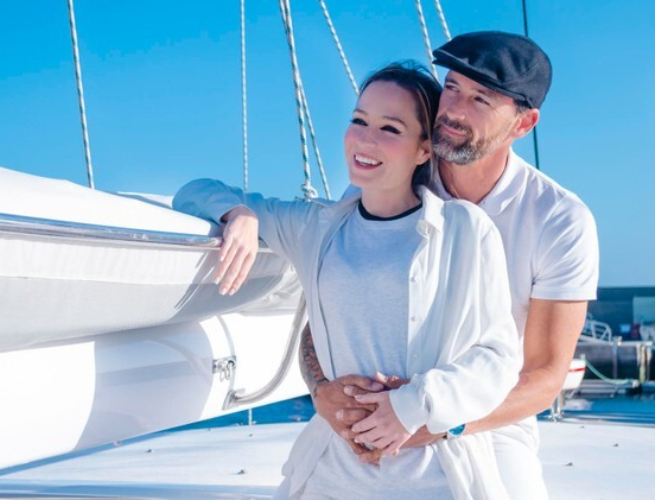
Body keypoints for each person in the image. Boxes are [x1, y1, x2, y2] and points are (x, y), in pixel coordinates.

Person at [174, 61, 521, 499]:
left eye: (390, 129)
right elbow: (194, 190)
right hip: (330, 478)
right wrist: (237, 214)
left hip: (433, 482)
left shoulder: (465, 229)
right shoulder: (315, 226)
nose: (365, 139)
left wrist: (411, 405)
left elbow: (499, 358)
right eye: (359, 121)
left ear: (423, 150)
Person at [302, 31, 600, 500]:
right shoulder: (392, 179)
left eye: (481, 98)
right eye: (453, 87)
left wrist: (437, 422)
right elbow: (323, 313)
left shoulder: (559, 219)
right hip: (369, 408)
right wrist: (321, 392)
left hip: (487, 421)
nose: (454, 109)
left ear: (524, 124)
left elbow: (544, 376)